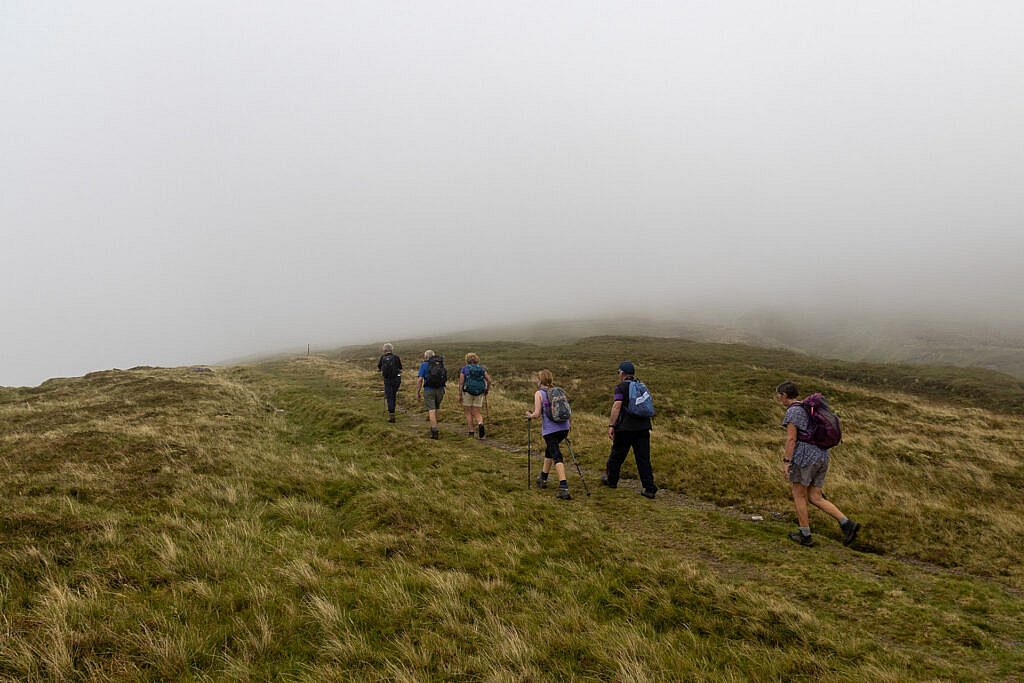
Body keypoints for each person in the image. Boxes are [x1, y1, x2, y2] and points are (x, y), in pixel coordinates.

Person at [775, 381, 860, 547]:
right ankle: (847, 524)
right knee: (815, 496)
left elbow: (791, 439)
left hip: (805, 457)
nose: (778, 399)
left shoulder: (793, 412)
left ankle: (805, 535)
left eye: (779, 396)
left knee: (799, 495)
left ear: (784, 395)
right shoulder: (808, 408)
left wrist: (786, 462)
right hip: (822, 455)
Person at [601, 361, 657, 499]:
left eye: (619, 372)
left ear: (623, 373)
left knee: (617, 456)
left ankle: (612, 481)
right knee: (643, 459)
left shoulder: (621, 387)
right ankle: (649, 488)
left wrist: (611, 425)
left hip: (625, 429)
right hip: (643, 428)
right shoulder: (641, 386)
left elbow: (617, 406)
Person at [524, 369, 572, 500]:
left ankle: (564, 487)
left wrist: (529, 415)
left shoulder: (539, 393)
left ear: (540, 380)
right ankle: (543, 478)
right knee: (549, 451)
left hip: (550, 430)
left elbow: (537, 414)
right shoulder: (559, 391)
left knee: (556, 455)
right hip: (564, 428)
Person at [458, 353, 493, 438]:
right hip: (480, 392)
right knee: (476, 412)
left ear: (467, 360)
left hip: (467, 392)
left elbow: (461, 383)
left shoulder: (464, 369)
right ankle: (480, 424)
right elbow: (489, 380)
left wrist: (460, 395)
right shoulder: (481, 369)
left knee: (468, 412)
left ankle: (471, 431)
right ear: (476, 359)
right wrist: (486, 390)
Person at [416, 350, 446, 439]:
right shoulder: (440, 364)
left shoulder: (424, 365)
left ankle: (434, 430)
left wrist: (418, 391)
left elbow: (420, 379)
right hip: (440, 389)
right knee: (436, 408)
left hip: (429, 390)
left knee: (431, 410)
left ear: (425, 357)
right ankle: (435, 425)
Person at [377, 343, 402, 422]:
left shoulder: (382, 357)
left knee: (389, 396)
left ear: (384, 350)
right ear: (392, 349)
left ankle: (392, 415)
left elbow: (379, 367)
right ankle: (393, 410)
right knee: (394, 395)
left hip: (387, 379)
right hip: (396, 379)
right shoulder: (396, 357)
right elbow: (400, 368)